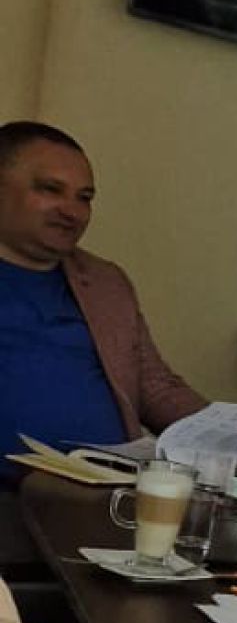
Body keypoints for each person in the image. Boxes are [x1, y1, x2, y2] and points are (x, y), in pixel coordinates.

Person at [0, 120, 204, 457]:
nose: (72, 212)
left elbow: (156, 389)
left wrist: (229, 435)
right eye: (50, 190)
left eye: (84, 198)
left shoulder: (105, 283)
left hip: (105, 480)